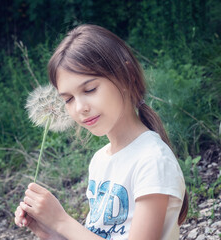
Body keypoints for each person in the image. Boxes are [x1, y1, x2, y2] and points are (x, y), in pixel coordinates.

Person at [14, 24, 188, 240]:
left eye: (89, 90)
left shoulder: (152, 160)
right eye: (68, 99)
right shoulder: (100, 161)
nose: (80, 108)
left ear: (127, 76)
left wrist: (62, 221)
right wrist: (50, 231)